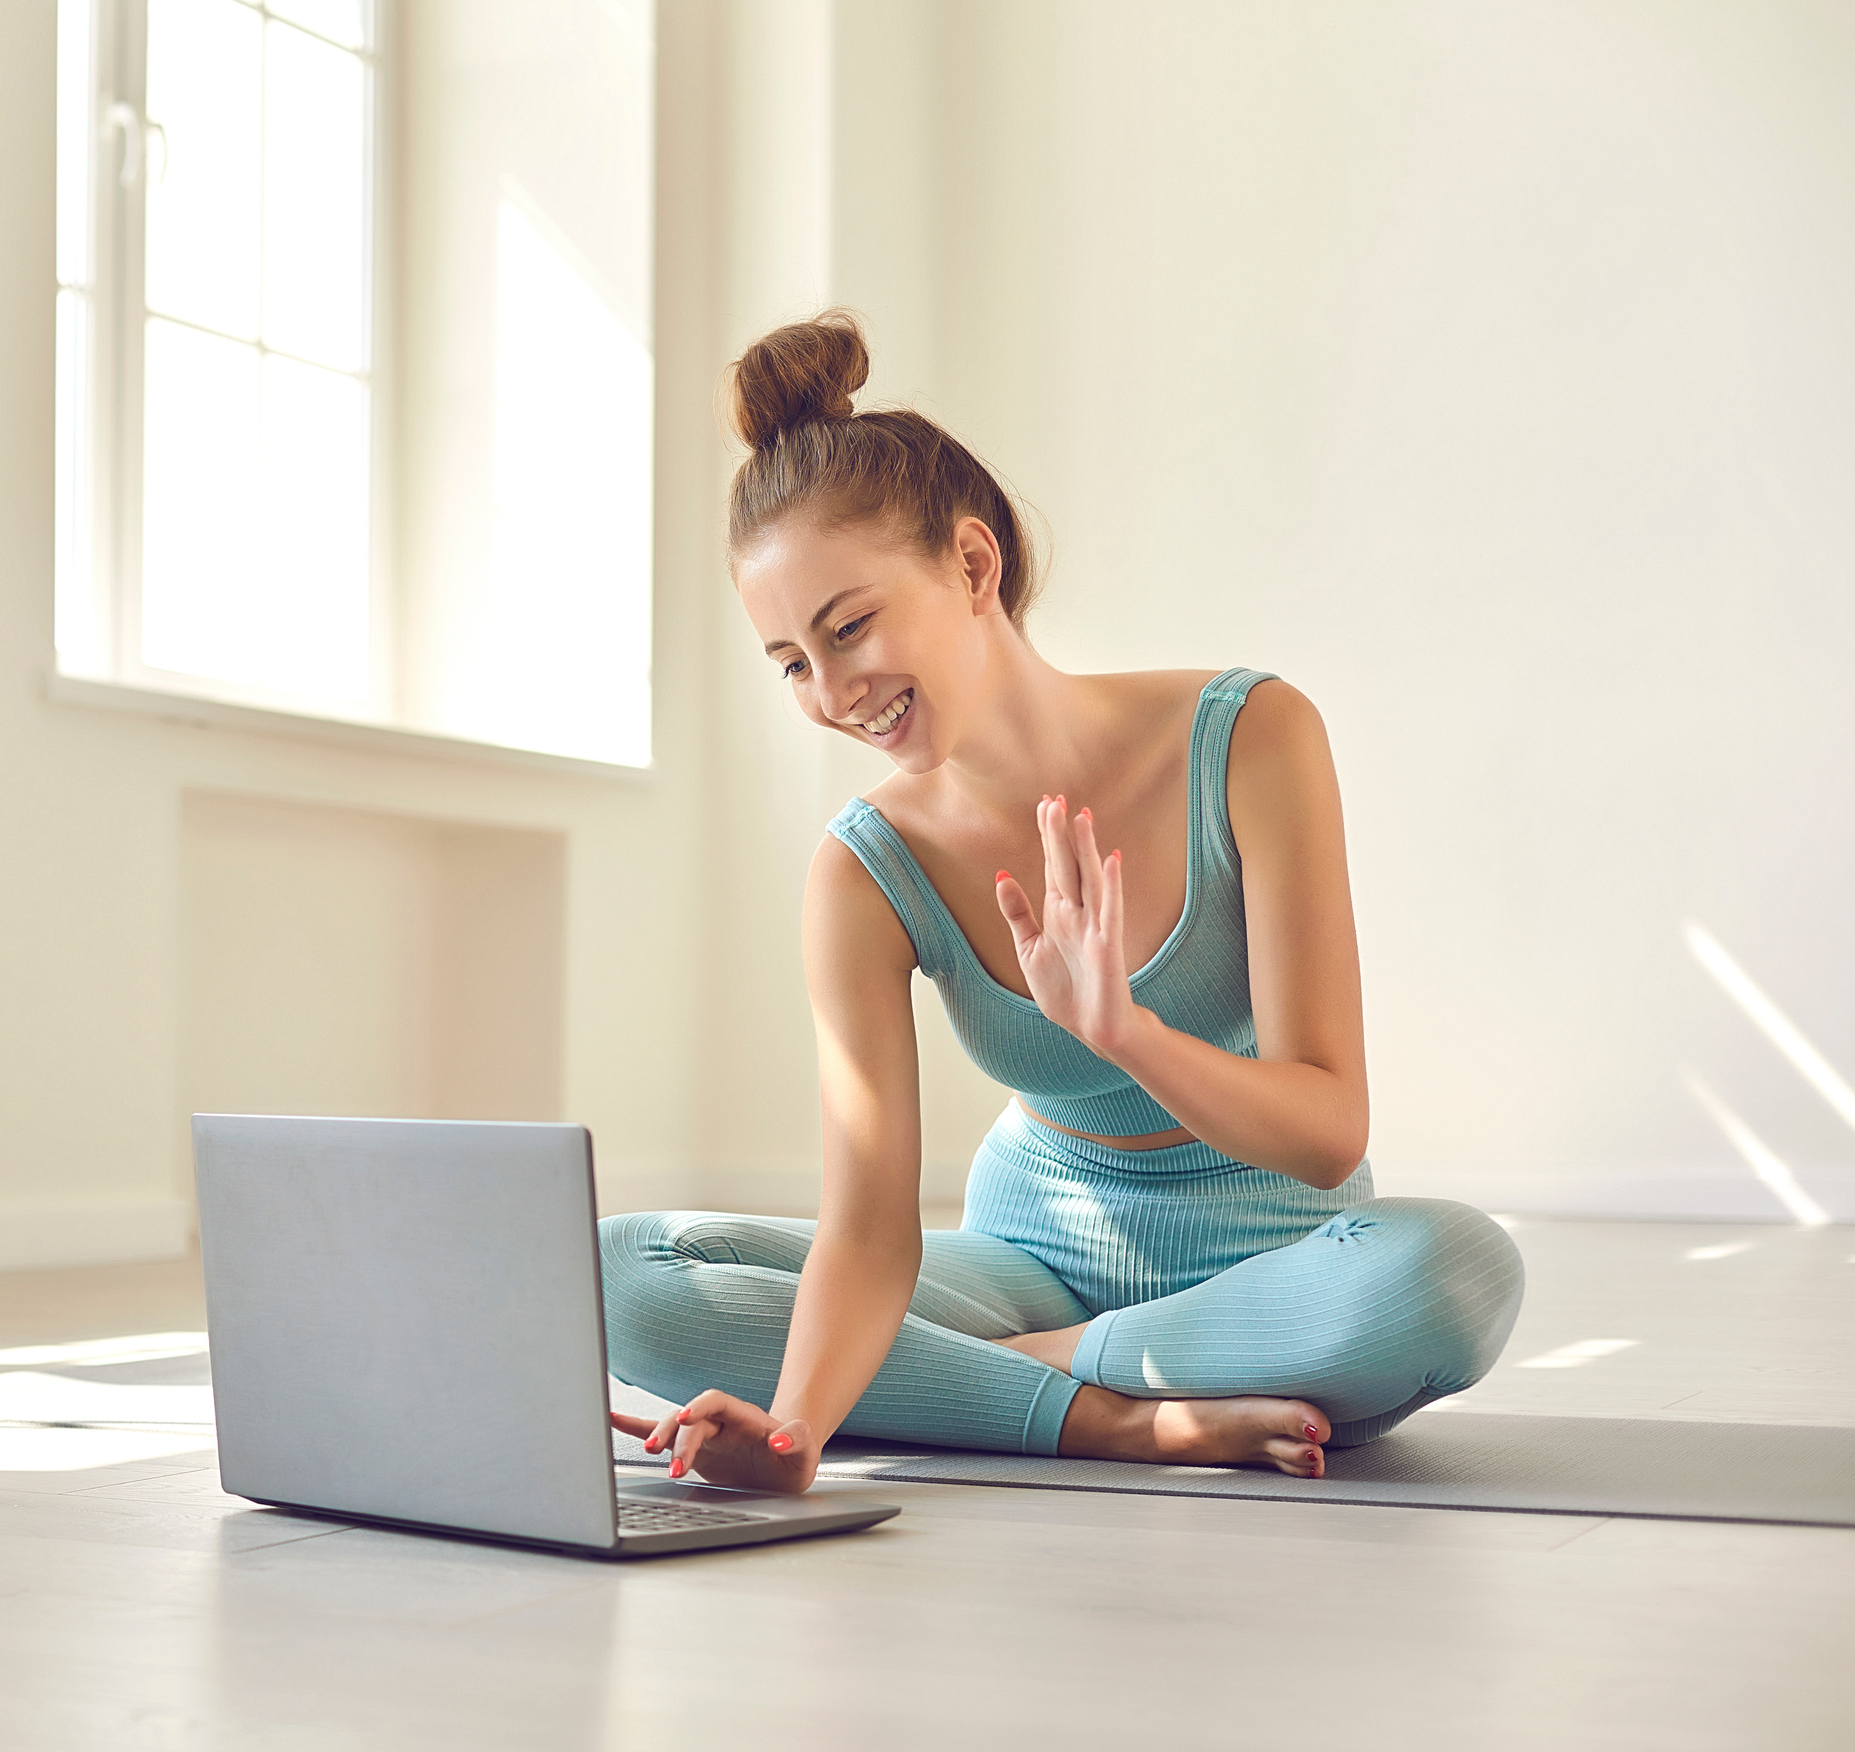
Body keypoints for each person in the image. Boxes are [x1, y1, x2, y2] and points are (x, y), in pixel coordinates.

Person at [603, 312, 1523, 1490]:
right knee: (624, 1270)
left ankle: (1006, 1377)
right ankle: (1124, 1415)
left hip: (1275, 1255)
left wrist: (1125, 1033)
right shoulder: (863, 871)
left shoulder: (1249, 738)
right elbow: (872, 1231)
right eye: (791, 663)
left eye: (850, 628)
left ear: (974, 566)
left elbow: (1329, 1130)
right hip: (1029, 1253)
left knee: (1452, 1274)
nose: (833, 693)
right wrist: (794, 1440)